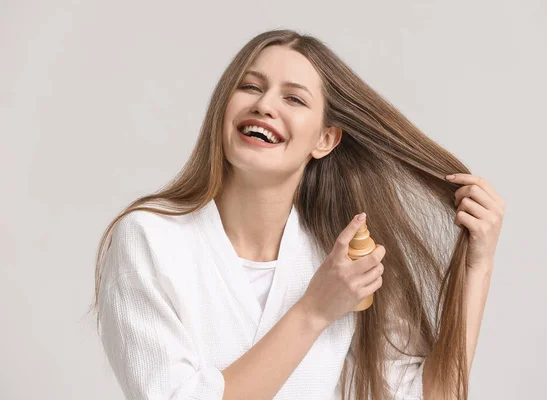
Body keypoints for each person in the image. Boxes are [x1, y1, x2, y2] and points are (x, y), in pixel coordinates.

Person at [90, 29, 505, 400]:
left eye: (293, 98)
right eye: (250, 87)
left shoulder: (342, 261)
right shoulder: (149, 240)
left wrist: (477, 266)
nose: (265, 105)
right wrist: (314, 311)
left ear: (325, 139)